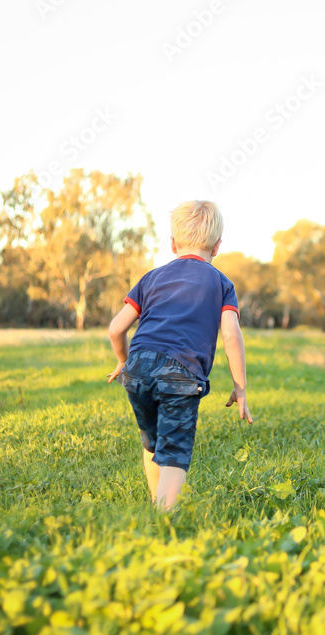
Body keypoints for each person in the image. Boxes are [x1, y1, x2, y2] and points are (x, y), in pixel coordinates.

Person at [107, 200, 253, 511]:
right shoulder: (221, 283)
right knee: (174, 450)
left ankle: (155, 502)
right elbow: (230, 334)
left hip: (137, 367)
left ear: (173, 244)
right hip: (181, 372)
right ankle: (165, 516)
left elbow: (116, 328)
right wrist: (240, 387)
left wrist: (123, 361)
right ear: (217, 246)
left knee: (153, 442)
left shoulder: (151, 277)